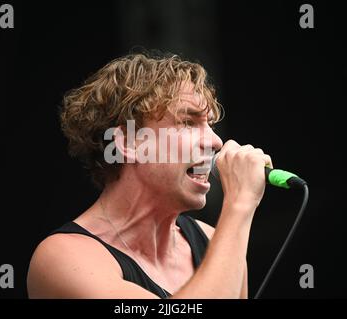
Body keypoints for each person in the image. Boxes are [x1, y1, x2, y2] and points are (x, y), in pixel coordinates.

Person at [27, 52, 273, 298]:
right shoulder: (64, 257)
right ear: (129, 142)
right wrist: (239, 204)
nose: (216, 141)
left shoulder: (213, 241)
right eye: (188, 122)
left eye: (210, 125)